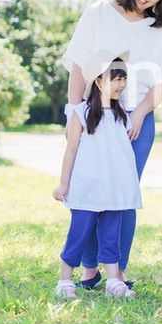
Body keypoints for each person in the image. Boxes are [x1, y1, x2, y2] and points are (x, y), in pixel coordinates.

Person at [60, 0, 162, 290]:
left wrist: (139, 112)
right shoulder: (98, 13)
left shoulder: (159, 29)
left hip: (133, 123)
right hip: (92, 117)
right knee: (87, 191)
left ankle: (118, 272)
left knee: (122, 197)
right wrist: (73, 112)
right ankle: (87, 270)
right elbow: (79, 67)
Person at [52, 50, 141, 299]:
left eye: (124, 79)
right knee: (79, 233)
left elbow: (121, 157)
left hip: (113, 190)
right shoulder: (80, 113)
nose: (121, 85)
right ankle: (64, 280)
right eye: (116, 79)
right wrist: (63, 184)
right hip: (86, 187)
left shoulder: (123, 116)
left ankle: (113, 280)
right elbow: (70, 152)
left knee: (111, 235)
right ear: (99, 81)